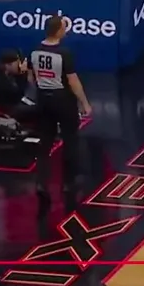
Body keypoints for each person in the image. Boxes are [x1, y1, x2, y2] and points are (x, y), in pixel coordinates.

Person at [29, 15, 90, 204]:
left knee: (45, 142)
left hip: (43, 100)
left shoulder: (35, 50)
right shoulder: (64, 53)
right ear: (58, 31)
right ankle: (68, 183)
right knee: (70, 140)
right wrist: (84, 103)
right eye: (64, 27)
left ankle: (41, 182)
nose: (66, 30)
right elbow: (73, 81)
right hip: (63, 100)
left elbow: (31, 77)